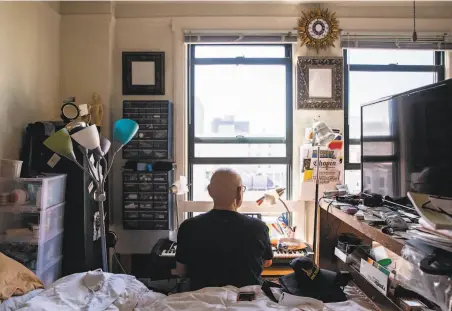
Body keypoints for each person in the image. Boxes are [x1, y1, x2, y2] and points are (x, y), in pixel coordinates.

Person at [174, 168, 273, 290]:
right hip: (245, 300)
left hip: (203, 300)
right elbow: (267, 262)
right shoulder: (259, 227)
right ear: (240, 191)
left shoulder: (188, 226)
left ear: (210, 191)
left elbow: (181, 271)